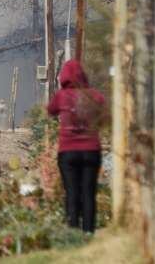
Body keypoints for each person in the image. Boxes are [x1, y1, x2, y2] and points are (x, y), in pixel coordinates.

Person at [47, 59, 106, 233]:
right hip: (91, 151)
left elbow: (50, 111)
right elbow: (103, 109)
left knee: (71, 192)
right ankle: (88, 232)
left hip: (68, 152)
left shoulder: (61, 96)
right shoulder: (94, 95)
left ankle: (72, 231)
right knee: (88, 192)